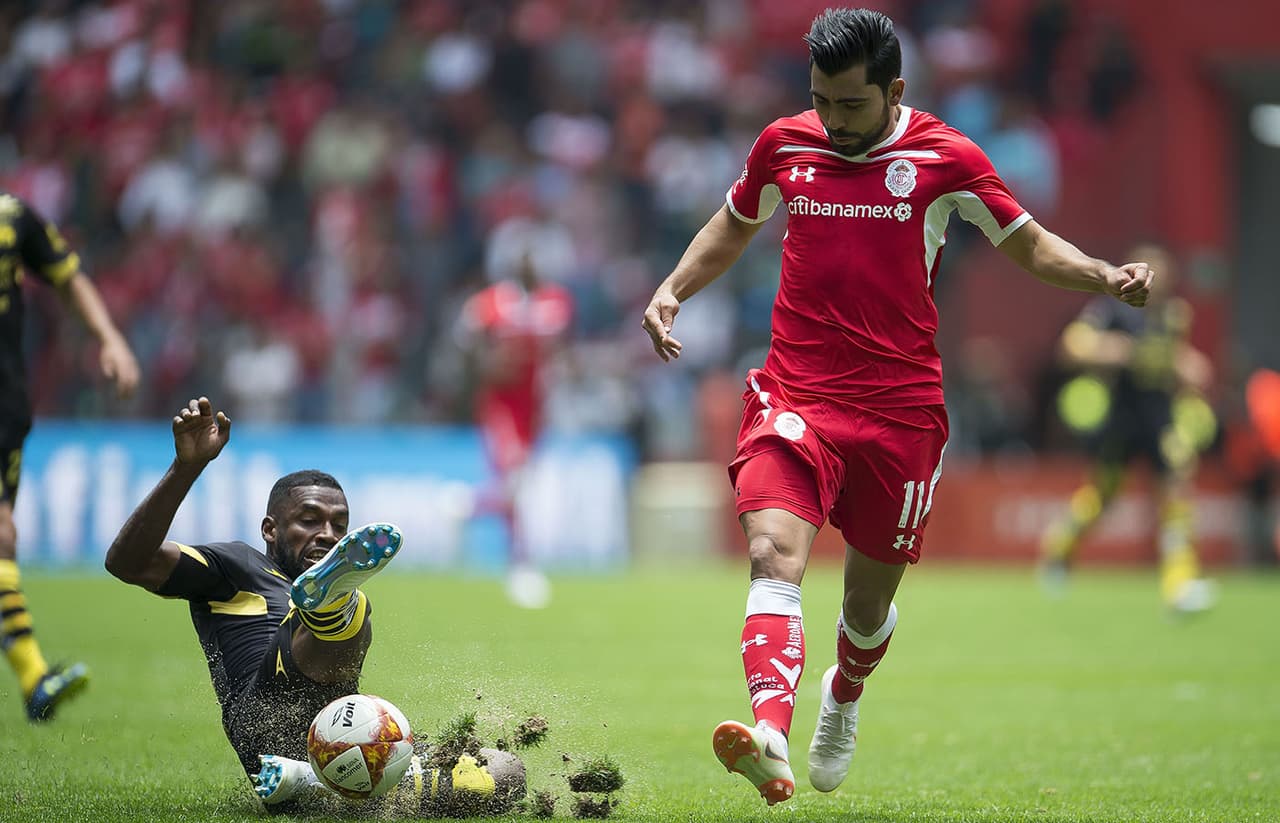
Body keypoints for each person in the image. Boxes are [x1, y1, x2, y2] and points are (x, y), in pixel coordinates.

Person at [640, 8, 1155, 806]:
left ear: (895, 90)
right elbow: (734, 224)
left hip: (898, 415)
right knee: (774, 552)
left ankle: (842, 697)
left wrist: (1102, 276)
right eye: (821, 101)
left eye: (850, 104)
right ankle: (770, 731)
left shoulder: (945, 157)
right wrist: (674, 287)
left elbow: (1027, 242)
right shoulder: (785, 143)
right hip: (796, 392)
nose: (833, 121)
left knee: (867, 605)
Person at [104, 397, 524, 814]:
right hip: (263, 716)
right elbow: (127, 562)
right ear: (270, 529)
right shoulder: (233, 565)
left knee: (505, 773)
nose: (326, 534)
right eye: (309, 520)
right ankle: (331, 607)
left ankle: (326, 783)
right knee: (351, 610)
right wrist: (187, 467)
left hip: (339, 739)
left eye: (338, 527)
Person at [0, 190, 140, 721]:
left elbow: (67, 275)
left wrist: (109, 338)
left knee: (4, 533)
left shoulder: (13, 218)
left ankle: (34, 680)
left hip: (8, 409)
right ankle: (34, 677)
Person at [1040, 243, 1216, 612]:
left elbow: (1175, 358)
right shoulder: (1111, 309)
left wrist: (1189, 366)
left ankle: (1180, 585)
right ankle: (1058, 552)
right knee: (1103, 495)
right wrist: (1116, 350)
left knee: (1174, 495)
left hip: (1160, 416)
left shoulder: (1172, 315)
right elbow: (1072, 347)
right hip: (1122, 414)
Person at [456, 242, 573, 609]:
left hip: (534, 406)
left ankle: (469, 507)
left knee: (519, 486)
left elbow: (559, 350)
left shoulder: (555, 302)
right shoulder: (495, 301)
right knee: (515, 482)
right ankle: (520, 564)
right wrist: (485, 364)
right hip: (501, 404)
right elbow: (465, 338)